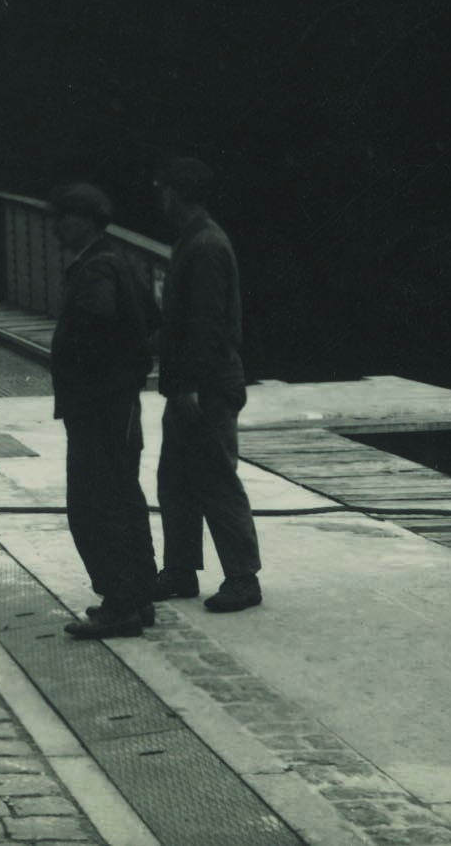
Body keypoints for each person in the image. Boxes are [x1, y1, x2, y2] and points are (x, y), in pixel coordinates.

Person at [44, 183, 161, 640]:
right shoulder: (118, 260)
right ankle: (139, 595)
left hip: (97, 405)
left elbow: (95, 326)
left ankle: (120, 605)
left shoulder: (95, 269)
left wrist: (84, 375)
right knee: (124, 495)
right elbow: (151, 316)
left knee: (94, 503)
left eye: (65, 217)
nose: (56, 226)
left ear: (87, 220)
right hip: (119, 403)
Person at [150, 158, 262, 614]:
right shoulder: (194, 240)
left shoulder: (206, 246)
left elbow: (208, 324)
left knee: (216, 478)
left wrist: (191, 384)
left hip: (206, 386)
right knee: (175, 479)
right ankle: (180, 569)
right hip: (188, 385)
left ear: (177, 193)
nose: (160, 198)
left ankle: (243, 577)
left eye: (163, 190)